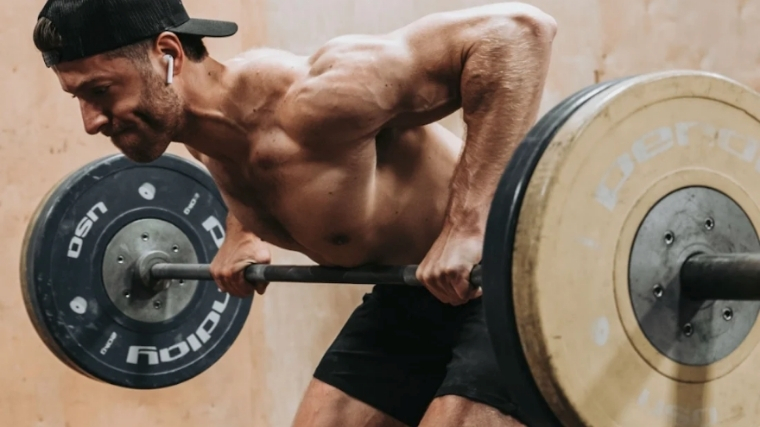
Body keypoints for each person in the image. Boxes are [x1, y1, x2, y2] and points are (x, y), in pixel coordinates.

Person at [32, 0, 556, 425]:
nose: (90, 121)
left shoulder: (316, 98)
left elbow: (519, 33)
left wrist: (470, 224)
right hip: (410, 293)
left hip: (506, 283)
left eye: (101, 91)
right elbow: (254, 156)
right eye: (78, 97)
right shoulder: (201, 132)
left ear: (167, 54)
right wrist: (242, 232)